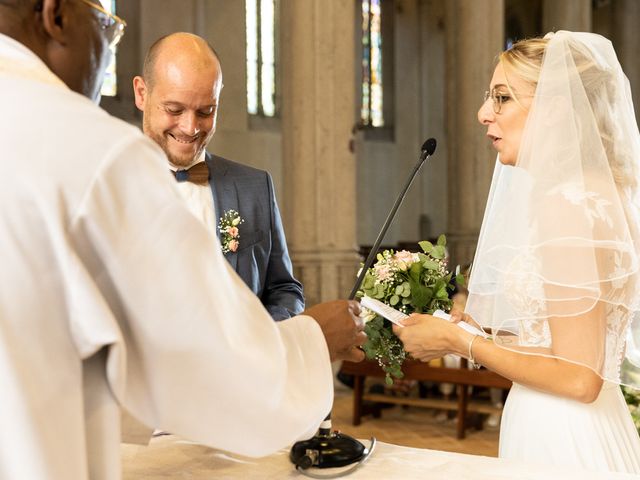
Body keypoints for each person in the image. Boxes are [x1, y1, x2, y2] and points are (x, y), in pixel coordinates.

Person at [0, 1, 366, 479]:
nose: (190, 127)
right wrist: (314, 340)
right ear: (56, 15)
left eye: (205, 110)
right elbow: (197, 354)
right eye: (107, 26)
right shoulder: (93, 151)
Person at [394, 31, 640, 474]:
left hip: (563, 436)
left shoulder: (568, 205)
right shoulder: (595, 193)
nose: (483, 113)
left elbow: (580, 378)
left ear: (554, 110)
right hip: (580, 421)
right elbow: (567, 347)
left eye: (502, 98)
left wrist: (461, 342)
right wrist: (487, 335)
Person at [132, 33, 304, 321]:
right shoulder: (102, 187)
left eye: (206, 111)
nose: (190, 127)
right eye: (174, 109)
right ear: (141, 93)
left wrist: (261, 339)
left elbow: (284, 289)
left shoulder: (255, 187)